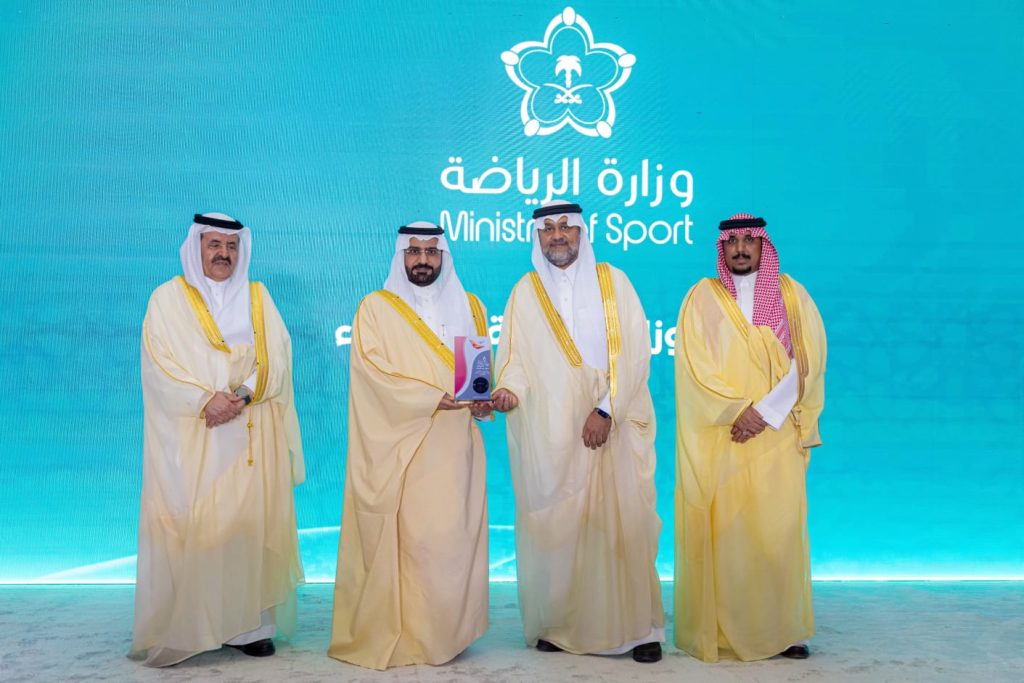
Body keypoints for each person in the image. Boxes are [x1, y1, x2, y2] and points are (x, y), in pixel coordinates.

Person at [492, 200, 664, 663]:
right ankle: (562, 626)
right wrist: (507, 391)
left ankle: (639, 631)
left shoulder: (614, 282)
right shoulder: (525, 292)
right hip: (553, 433)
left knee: (624, 526)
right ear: (538, 238)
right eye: (548, 229)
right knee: (560, 529)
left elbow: (636, 352)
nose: (557, 235)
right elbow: (514, 359)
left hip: (615, 424)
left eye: (566, 227)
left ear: (582, 232)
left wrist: (606, 410)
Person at [130, 212, 304, 667]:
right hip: (195, 437)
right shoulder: (166, 299)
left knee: (249, 525)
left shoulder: (258, 297)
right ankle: (192, 625)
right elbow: (158, 365)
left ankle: (251, 629)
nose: (223, 254)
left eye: (231, 246)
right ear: (197, 247)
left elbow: (277, 359)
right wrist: (204, 400)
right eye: (214, 245)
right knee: (199, 527)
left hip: (251, 432)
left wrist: (242, 395)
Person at [329, 222, 491, 670]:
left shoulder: (471, 307)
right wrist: (429, 398)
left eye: (431, 252)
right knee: (413, 543)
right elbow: (372, 374)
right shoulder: (375, 309)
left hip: (454, 444)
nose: (423, 260)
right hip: (400, 446)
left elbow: (476, 379)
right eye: (414, 252)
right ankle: (406, 636)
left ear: (443, 257)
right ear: (401, 256)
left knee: (448, 543)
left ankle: (445, 636)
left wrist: (480, 403)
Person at [674, 213, 827, 662]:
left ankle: (784, 631)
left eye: (749, 240)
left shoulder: (793, 295)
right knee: (728, 536)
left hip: (774, 436)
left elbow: (808, 361)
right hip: (723, 436)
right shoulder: (702, 296)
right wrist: (736, 411)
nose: (740, 248)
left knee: (777, 533)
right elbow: (694, 365)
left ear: (764, 245)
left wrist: (764, 412)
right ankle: (722, 630)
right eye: (732, 241)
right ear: (722, 248)